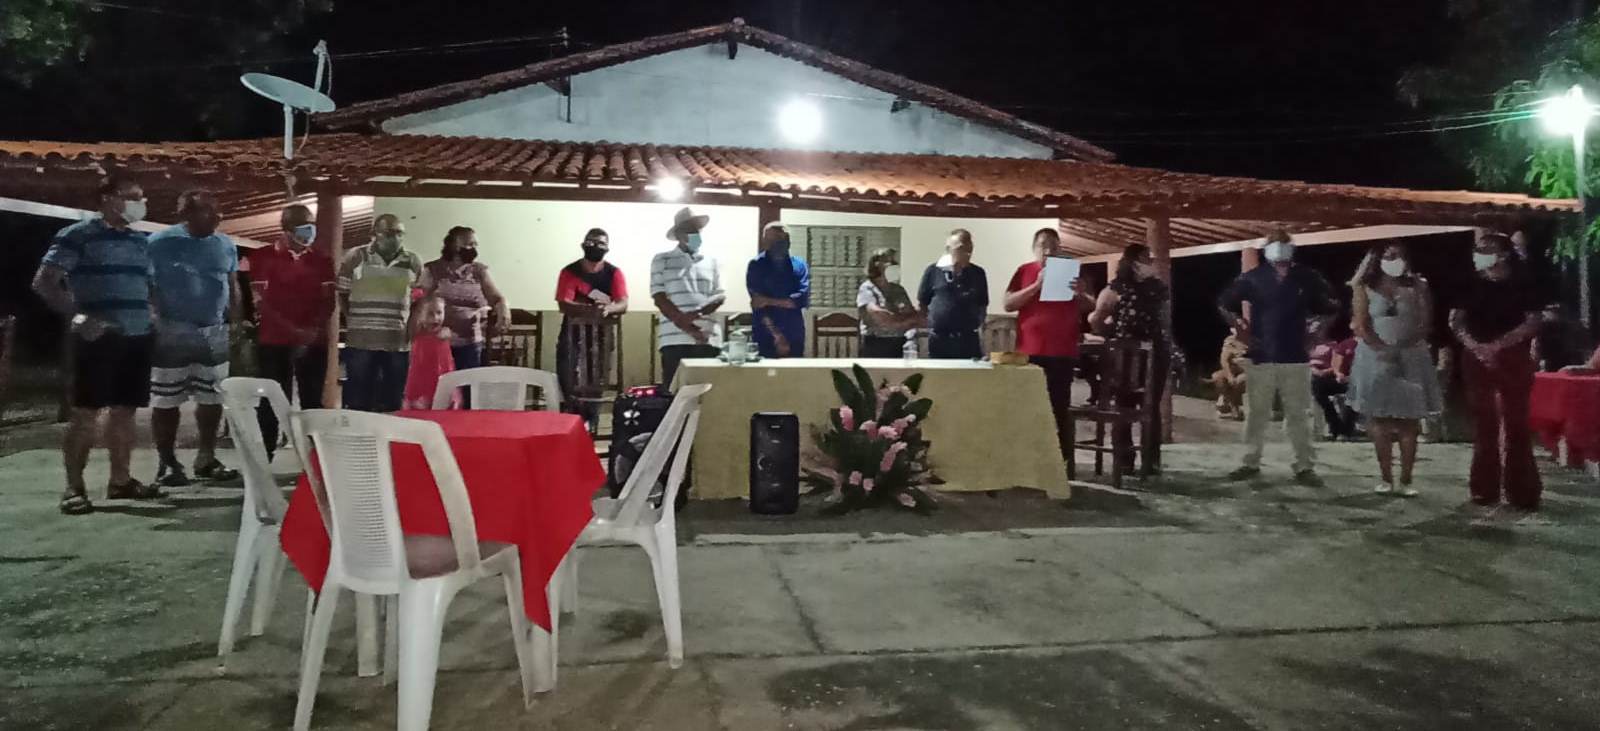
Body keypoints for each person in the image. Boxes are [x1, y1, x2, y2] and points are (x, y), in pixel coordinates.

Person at [32, 176, 162, 514]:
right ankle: (73, 489)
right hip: (97, 338)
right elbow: (45, 282)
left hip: (137, 336)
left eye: (141, 197)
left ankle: (121, 481)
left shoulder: (139, 240)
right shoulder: (77, 235)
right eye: (132, 197)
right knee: (86, 413)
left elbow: (147, 285)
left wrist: (152, 315)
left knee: (125, 411)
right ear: (108, 198)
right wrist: (79, 317)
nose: (140, 204)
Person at [1217, 230, 1339, 485]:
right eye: (1275, 244)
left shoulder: (1307, 277)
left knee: (1298, 414)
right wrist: (1241, 329)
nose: (1280, 249)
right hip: (1261, 356)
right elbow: (1225, 303)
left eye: (1285, 244)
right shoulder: (1254, 277)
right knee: (1257, 413)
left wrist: (1317, 331)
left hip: (1295, 356)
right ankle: (1250, 462)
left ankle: (1304, 466)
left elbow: (1331, 307)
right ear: (1266, 249)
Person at [145, 190, 242, 487]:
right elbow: (146, 285)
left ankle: (206, 457)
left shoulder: (225, 244)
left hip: (214, 331)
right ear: (186, 214)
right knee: (166, 400)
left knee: (212, 397)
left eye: (218, 210)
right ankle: (167, 462)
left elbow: (232, 284)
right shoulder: (158, 243)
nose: (217, 216)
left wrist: (236, 321)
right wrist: (154, 319)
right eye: (207, 211)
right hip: (172, 330)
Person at [1449, 232, 1545, 516]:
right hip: (1475, 356)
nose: (1480, 254)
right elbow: (1456, 321)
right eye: (1478, 249)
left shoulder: (1523, 282)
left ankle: (1522, 490)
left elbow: (1533, 321)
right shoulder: (1468, 282)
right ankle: (1484, 488)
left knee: (1516, 422)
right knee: (1484, 423)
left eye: (1487, 249)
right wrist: (1476, 347)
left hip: (1513, 356)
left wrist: (1499, 346)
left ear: (1503, 254)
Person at [1346, 242, 1442, 496]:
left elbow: (1425, 322)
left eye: (1398, 255)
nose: (1394, 260)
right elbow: (1361, 324)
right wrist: (1383, 349)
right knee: (1379, 420)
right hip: (1375, 358)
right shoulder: (1364, 286)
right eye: (1389, 256)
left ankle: (1406, 480)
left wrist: (1402, 348)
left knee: (1409, 420)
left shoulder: (1418, 285)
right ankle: (1386, 478)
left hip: (1411, 356)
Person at [249, 204, 335, 456]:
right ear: (286, 229)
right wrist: (294, 332)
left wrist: (312, 331)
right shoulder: (262, 257)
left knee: (312, 402)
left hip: (313, 341)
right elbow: (261, 303)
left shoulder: (322, 260)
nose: (310, 231)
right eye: (304, 226)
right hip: (274, 340)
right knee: (272, 400)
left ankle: (316, 459)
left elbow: (328, 301)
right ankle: (264, 458)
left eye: (312, 225)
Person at [1006, 228, 1092, 459]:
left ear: (1060, 248)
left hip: (1062, 352)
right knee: (1028, 407)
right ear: (1034, 248)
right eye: (1043, 246)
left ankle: (1063, 463)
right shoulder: (1024, 270)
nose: (1048, 251)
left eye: (1053, 246)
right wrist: (1036, 285)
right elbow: (1009, 304)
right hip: (1030, 351)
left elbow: (1090, 306)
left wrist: (1080, 293)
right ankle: (1028, 459)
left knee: (1059, 408)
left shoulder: (1073, 270)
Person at [1089, 244, 1174, 467]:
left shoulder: (1153, 289)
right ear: (1133, 261)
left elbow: (1096, 320)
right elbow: (1097, 319)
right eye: (1145, 258)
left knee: (1142, 407)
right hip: (1133, 356)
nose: (1150, 262)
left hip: (1148, 355)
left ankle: (1137, 462)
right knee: (1133, 407)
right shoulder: (1118, 289)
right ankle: (1137, 461)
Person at [338, 213, 424, 412]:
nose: (395, 238)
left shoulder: (413, 261)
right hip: (361, 340)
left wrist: (411, 328)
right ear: (374, 233)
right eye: (389, 233)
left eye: (400, 233)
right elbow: (342, 293)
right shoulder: (355, 257)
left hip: (397, 341)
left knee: (392, 399)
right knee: (358, 399)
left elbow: (420, 299)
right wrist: (352, 320)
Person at [417, 226, 509, 372]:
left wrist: (503, 308)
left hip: (470, 342)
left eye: (475, 245)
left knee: (467, 382)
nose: (474, 249)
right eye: (470, 244)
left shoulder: (479, 271)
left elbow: (496, 298)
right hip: (439, 340)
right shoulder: (433, 269)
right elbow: (420, 303)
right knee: (441, 382)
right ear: (454, 245)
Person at [555, 228, 628, 413]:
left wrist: (608, 309)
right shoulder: (570, 271)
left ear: (607, 248)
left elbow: (623, 303)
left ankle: (591, 418)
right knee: (567, 373)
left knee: (598, 376)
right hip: (572, 332)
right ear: (583, 245)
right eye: (591, 242)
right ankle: (570, 413)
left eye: (601, 243)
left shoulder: (614, 273)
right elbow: (564, 303)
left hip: (602, 333)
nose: (595, 246)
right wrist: (589, 310)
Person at [652, 207, 724, 387]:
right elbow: (659, 297)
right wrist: (688, 327)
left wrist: (697, 313)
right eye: (689, 229)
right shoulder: (662, 260)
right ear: (678, 234)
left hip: (708, 338)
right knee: (675, 393)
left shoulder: (713, 261)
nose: (695, 234)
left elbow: (720, 295)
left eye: (697, 229)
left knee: (708, 394)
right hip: (674, 339)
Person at [917, 229, 989, 359]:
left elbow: (982, 304)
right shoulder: (933, 271)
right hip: (940, 339)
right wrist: (931, 325)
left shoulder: (977, 273)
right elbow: (923, 302)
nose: (967, 252)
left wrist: (979, 325)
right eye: (961, 248)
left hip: (968, 339)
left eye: (970, 247)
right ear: (948, 249)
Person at [746, 221, 810, 358]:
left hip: (794, 332)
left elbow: (801, 299)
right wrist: (777, 336)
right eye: (775, 239)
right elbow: (758, 305)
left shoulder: (799, 265)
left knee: (795, 370)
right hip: (766, 333)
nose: (780, 243)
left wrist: (768, 300)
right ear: (765, 241)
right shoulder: (757, 265)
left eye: (784, 239)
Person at [857, 248, 921, 357]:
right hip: (875, 343)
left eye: (893, 262)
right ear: (876, 264)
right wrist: (900, 320)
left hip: (899, 343)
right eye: (887, 262)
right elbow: (878, 314)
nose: (892, 265)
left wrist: (910, 335)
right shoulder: (867, 288)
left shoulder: (898, 289)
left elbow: (911, 315)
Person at [402, 294, 457, 410]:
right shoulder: (417, 334)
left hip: (443, 380)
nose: (436, 318)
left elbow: (448, 363)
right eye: (430, 314)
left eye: (439, 313)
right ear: (421, 316)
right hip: (422, 384)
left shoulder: (444, 333)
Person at [1309, 329, 1358, 440]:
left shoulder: (1372, 346)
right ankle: (1335, 426)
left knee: (1356, 391)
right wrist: (1338, 374)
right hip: (1342, 379)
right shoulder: (1346, 344)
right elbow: (1336, 363)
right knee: (1318, 388)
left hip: (1360, 381)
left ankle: (1345, 431)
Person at [1211, 325, 1249, 420]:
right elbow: (1224, 360)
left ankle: (1231, 404)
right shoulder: (1231, 340)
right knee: (1217, 377)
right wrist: (1229, 376)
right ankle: (1232, 406)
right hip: (1235, 369)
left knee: (1241, 380)